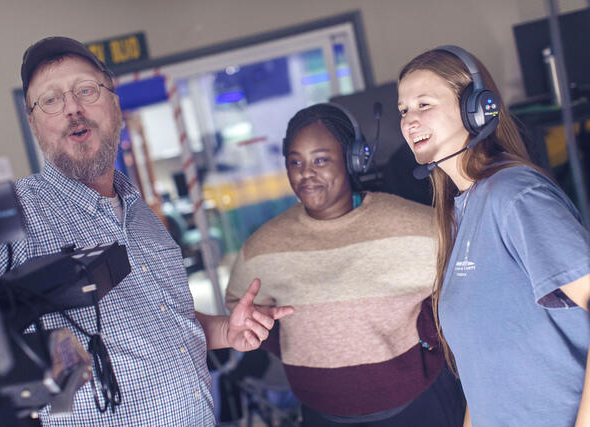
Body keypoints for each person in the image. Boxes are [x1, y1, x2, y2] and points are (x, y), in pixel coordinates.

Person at [0, 36, 293, 426]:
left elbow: (167, 319)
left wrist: (227, 331)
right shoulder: (15, 215)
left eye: (86, 90)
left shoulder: (138, 209)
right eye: (50, 100)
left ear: (114, 102)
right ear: (33, 123)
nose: (73, 108)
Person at [225, 103, 466, 426]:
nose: (305, 173)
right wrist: (297, 344)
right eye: (295, 162)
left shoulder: (416, 225)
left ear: (353, 160)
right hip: (321, 414)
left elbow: (468, 287)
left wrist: (428, 336)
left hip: (417, 406)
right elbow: (241, 308)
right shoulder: (262, 248)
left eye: (320, 160)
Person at [397, 45, 590, 426]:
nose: (409, 121)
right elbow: (485, 373)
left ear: (476, 108)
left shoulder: (516, 196)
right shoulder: (458, 212)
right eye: (404, 110)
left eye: (424, 104)